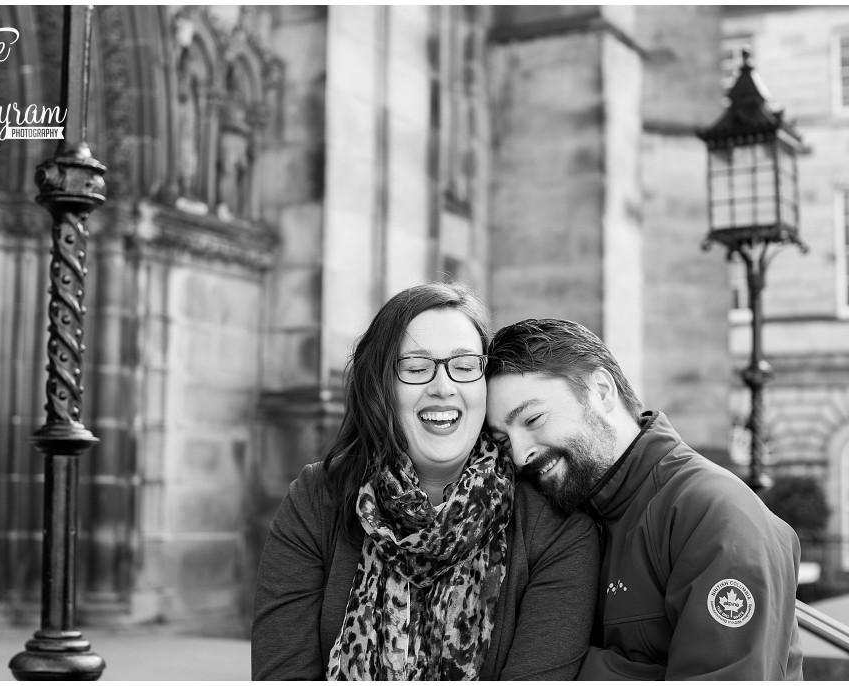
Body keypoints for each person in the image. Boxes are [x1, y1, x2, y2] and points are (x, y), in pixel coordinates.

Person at [252, 284, 600, 680]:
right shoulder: (318, 498)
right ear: (381, 387)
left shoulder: (555, 524)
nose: (443, 386)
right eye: (417, 368)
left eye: (466, 366)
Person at [484, 317, 804, 680]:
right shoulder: (563, 514)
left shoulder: (715, 515)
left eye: (533, 419)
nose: (519, 454)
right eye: (503, 440)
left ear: (601, 391)